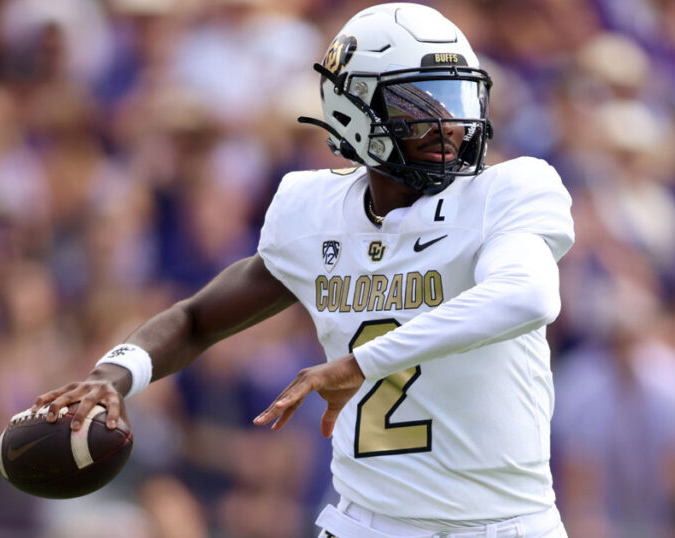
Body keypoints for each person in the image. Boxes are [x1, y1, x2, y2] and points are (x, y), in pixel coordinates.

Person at [31, 3, 574, 537]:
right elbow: (198, 319)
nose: (449, 125)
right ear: (352, 111)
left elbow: (526, 296)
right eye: (420, 105)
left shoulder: (508, 191)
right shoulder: (312, 209)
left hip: (505, 525)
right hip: (366, 523)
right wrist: (112, 375)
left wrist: (360, 363)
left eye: (457, 99)